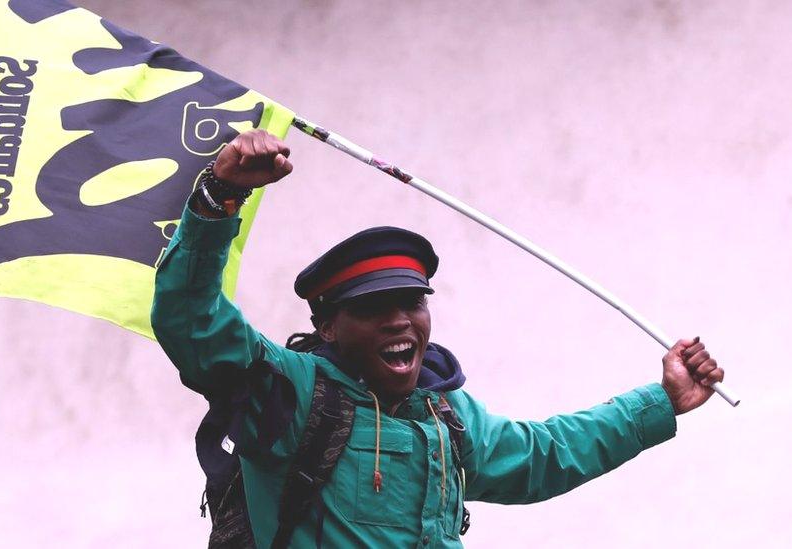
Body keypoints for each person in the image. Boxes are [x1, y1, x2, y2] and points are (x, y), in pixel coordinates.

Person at [151, 129, 725, 548]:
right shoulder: (288, 392)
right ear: (327, 327)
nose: (401, 320)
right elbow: (192, 322)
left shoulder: (447, 415)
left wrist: (663, 399)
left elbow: (542, 455)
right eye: (373, 307)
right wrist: (218, 197)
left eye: (412, 302)